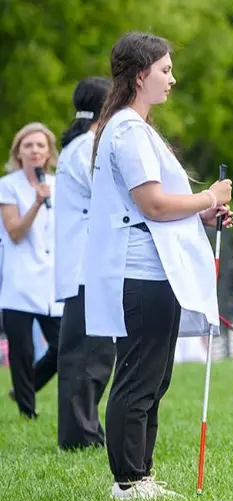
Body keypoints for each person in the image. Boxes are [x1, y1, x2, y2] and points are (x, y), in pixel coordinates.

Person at [84, 31, 232, 500]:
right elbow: (151, 204)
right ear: (142, 74)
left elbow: (163, 205)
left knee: (155, 376)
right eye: (165, 70)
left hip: (156, 269)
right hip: (140, 271)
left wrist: (203, 212)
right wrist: (208, 195)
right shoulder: (126, 130)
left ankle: (141, 475)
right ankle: (127, 482)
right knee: (139, 375)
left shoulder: (136, 128)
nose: (173, 79)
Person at [54, 77, 117, 449]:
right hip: (85, 268)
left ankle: (85, 429)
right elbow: (111, 194)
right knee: (87, 355)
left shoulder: (79, 146)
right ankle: (79, 436)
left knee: (95, 352)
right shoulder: (86, 149)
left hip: (85, 268)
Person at [0, 122, 64, 420]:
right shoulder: (8, 185)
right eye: (28, 145)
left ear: (49, 152)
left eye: (40, 145)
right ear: (19, 152)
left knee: (64, 346)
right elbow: (14, 231)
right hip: (20, 282)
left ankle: (28, 387)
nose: (35, 150)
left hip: (52, 281)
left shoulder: (59, 183)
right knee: (22, 352)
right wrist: (38, 202)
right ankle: (28, 411)